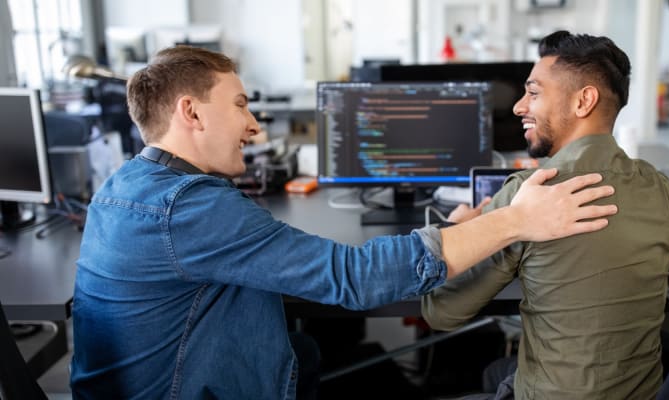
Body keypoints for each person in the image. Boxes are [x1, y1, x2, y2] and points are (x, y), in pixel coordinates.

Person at [69, 45, 619, 400]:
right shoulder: (188, 208)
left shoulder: (129, 185)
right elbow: (352, 278)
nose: (255, 126)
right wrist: (516, 221)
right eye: (240, 105)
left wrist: (455, 230)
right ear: (191, 113)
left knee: (314, 350)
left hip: (154, 381)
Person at [421, 30, 669, 400]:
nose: (519, 106)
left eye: (534, 92)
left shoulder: (528, 195)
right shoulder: (665, 192)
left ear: (583, 101)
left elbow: (442, 312)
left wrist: (459, 229)